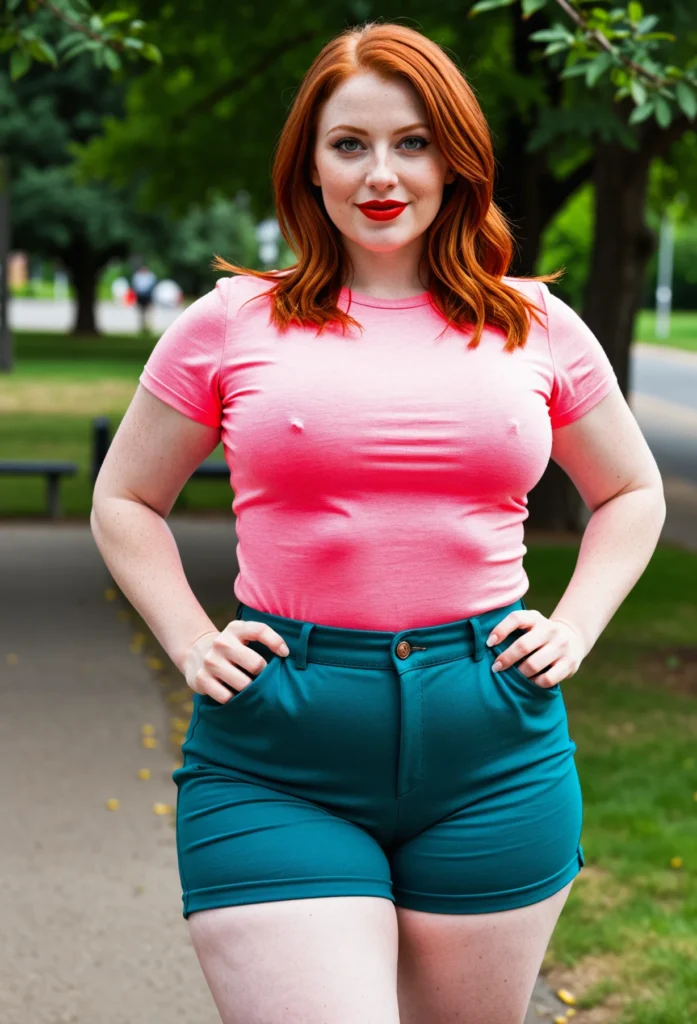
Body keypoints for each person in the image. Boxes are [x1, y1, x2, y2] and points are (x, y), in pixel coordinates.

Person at [91, 21, 665, 1024]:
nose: (380, 173)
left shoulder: (535, 325)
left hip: (494, 748)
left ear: (455, 160)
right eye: (348, 144)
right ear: (308, 168)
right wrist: (188, 639)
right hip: (279, 750)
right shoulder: (230, 322)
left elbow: (630, 492)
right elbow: (124, 498)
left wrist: (574, 626)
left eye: (411, 142)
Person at [130, 263, 158, 335]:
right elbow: (135, 286)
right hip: (140, 295)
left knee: (148, 312)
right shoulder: (137, 276)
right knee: (141, 312)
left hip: (148, 295)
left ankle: (148, 326)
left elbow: (153, 285)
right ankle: (142, 326)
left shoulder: (150, 276)